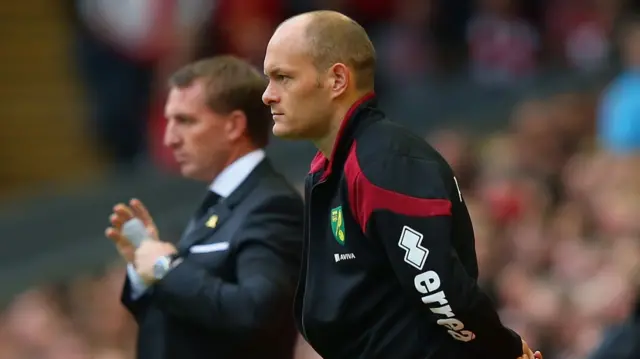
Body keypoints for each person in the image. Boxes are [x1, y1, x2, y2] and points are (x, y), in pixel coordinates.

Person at [262, 10, 543, 359]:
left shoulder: (384, 163)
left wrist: (506, 349)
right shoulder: (333, 166)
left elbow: (439, 289)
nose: (268, 95)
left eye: (283, 78)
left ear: (337, 80)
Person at [105, 55, 303, 359]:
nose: (170, 139)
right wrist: (145, 269)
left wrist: (165, 266)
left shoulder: (272, 205)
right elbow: (181, 317)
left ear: (234, 126)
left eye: (185, 121)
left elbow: (256, 313)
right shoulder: (217, 205)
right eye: (168, 120)